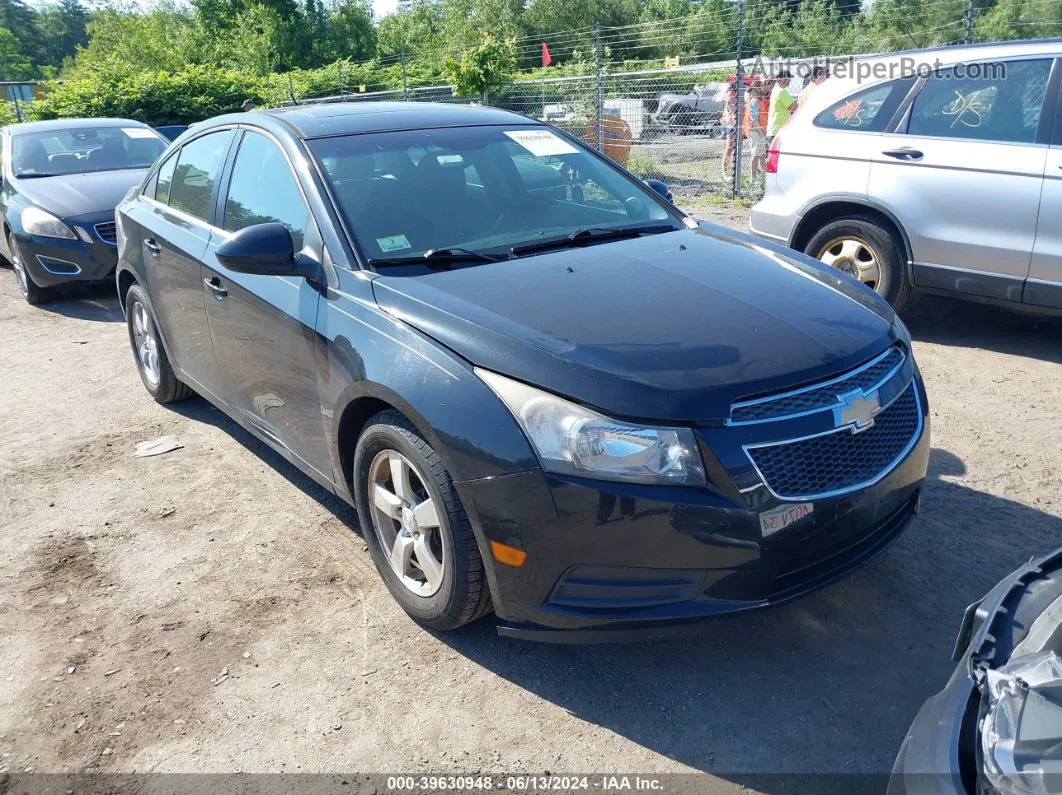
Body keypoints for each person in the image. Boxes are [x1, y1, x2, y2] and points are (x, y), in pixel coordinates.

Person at [743, 79, 770, 180]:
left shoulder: (758, 101)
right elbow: (754, 121)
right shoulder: (754, 101)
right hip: (756, 131)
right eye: (762, 87)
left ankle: (765, 176)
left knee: (762, 154)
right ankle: (753, 177)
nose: (764, 88)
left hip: (760, 131)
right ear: (757, 89)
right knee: (755, 154)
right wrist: (762, 132)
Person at [767, 70, 795, 142]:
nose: (788, 81)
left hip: (774, 130)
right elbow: (793, 107)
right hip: (778, 130)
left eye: (789, 79)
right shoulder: (781, 91)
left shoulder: (775, 90)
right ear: (778, 79)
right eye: (785, 79)